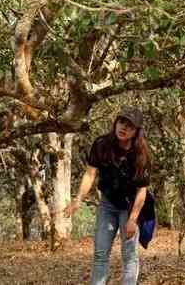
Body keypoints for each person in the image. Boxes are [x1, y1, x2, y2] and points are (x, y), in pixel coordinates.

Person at [65, 107, 152, 285]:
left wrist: (133, 219)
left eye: (129, 126)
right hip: (108, 204)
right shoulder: (101, 144)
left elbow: (142, 190)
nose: (123, 128)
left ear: (136, 132)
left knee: (129, 255)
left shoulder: (141, 154)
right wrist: (78, 199)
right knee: (100, 252)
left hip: (130, 206)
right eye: (121, 123)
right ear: (115, 123)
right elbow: (90, 174)